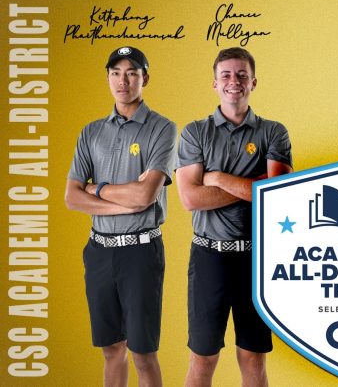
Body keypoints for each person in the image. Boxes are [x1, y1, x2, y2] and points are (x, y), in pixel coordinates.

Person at [176, 47, 293, 387]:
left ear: (253, 82)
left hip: (256, 258)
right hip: (208, 256)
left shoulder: (273, 132)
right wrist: (256, 186)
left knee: (253, 359)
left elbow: (280, 192)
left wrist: (217, 178)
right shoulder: (195, 132)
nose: (233, 81)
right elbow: (190, 198)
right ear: (215, 83)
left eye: (241, 75)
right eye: (226, 75)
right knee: (202, 359)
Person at [65, 46, 176, 387]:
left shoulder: (162, 129)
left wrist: (96, 189)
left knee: (143, 353)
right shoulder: (91, 132)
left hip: (139, 253)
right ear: (108, 77)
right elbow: (71, 196)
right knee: (112, 349)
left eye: (131, 73)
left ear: (145, 78)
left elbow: (145, 196)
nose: (122, 81)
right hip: (99, 251)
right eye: (115, 73)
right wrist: (122, 199)